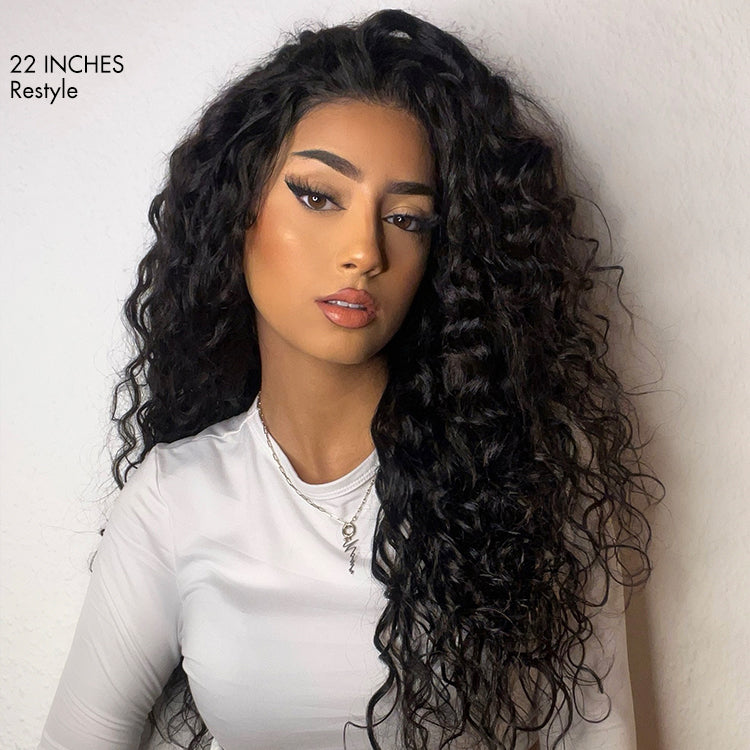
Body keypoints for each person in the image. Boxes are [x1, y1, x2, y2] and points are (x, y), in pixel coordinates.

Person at [38, 9, 660, 750]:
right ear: (238, 211)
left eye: (408, 219)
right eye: (318, 196)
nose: (364, 250)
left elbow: (602, 736)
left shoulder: (529, 480)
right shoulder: (175, 500)